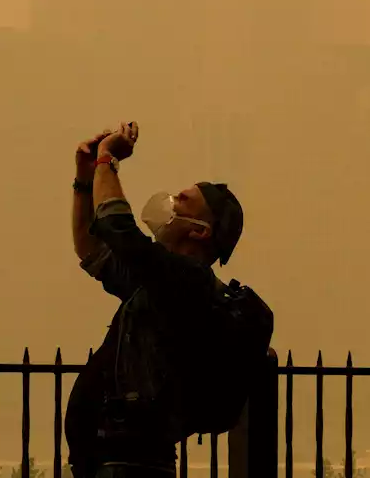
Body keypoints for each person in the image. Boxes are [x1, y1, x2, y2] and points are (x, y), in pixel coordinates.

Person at [64, 122, 268, 478]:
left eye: (182, 201)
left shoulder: (188, 281)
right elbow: (92, 249)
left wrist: (107, 161)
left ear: (200, 230)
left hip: (133, 464)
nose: (170, 202)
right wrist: (84, 180)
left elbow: (116, 227)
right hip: (108, 460)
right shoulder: (160, 282)